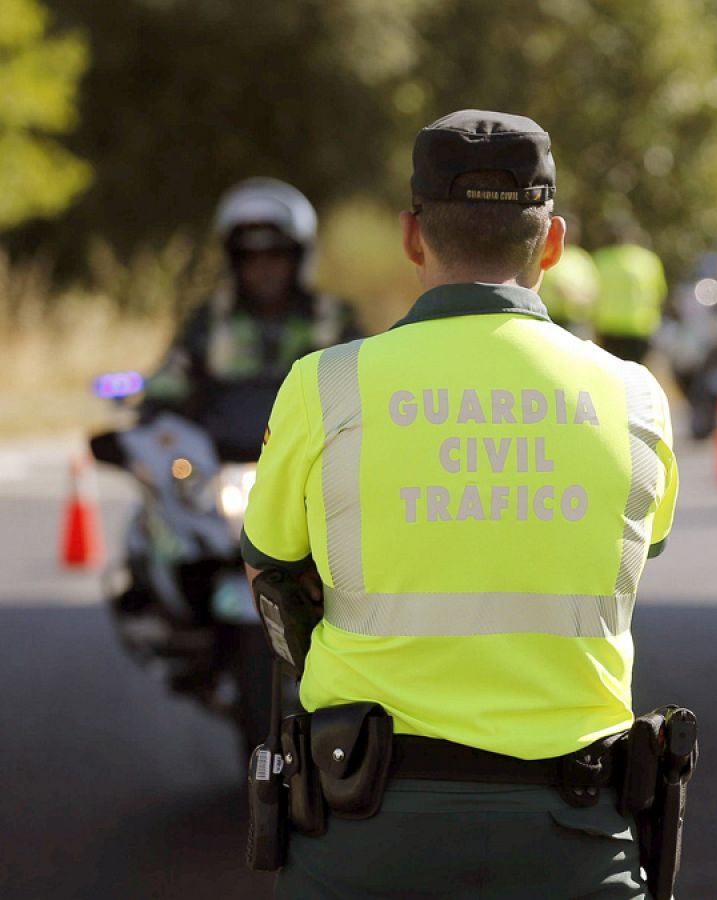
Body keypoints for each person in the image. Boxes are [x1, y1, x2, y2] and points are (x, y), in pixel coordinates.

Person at [241, 110, 680, 898]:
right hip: (573, 831)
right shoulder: (634, 396)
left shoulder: (326, 383)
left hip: (367, 827)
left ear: (413, 237)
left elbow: (270, 562)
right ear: (552, 244)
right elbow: (643, 550)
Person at [144, 177, 361, 459]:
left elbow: (364, 385)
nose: (264, 268)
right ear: (234, 261)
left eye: (276, 254)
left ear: (298, 257)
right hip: (217, 474)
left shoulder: (332, 318)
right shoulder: (209, 322)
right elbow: (170, 380)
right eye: (250, 257)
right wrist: (152, 412)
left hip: (313, 468)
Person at [592, 240, 668, 363]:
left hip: (609, 325)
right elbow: (660, 293)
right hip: (639, 326)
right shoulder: (648, 260)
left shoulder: (601, 258)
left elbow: (593, 293)